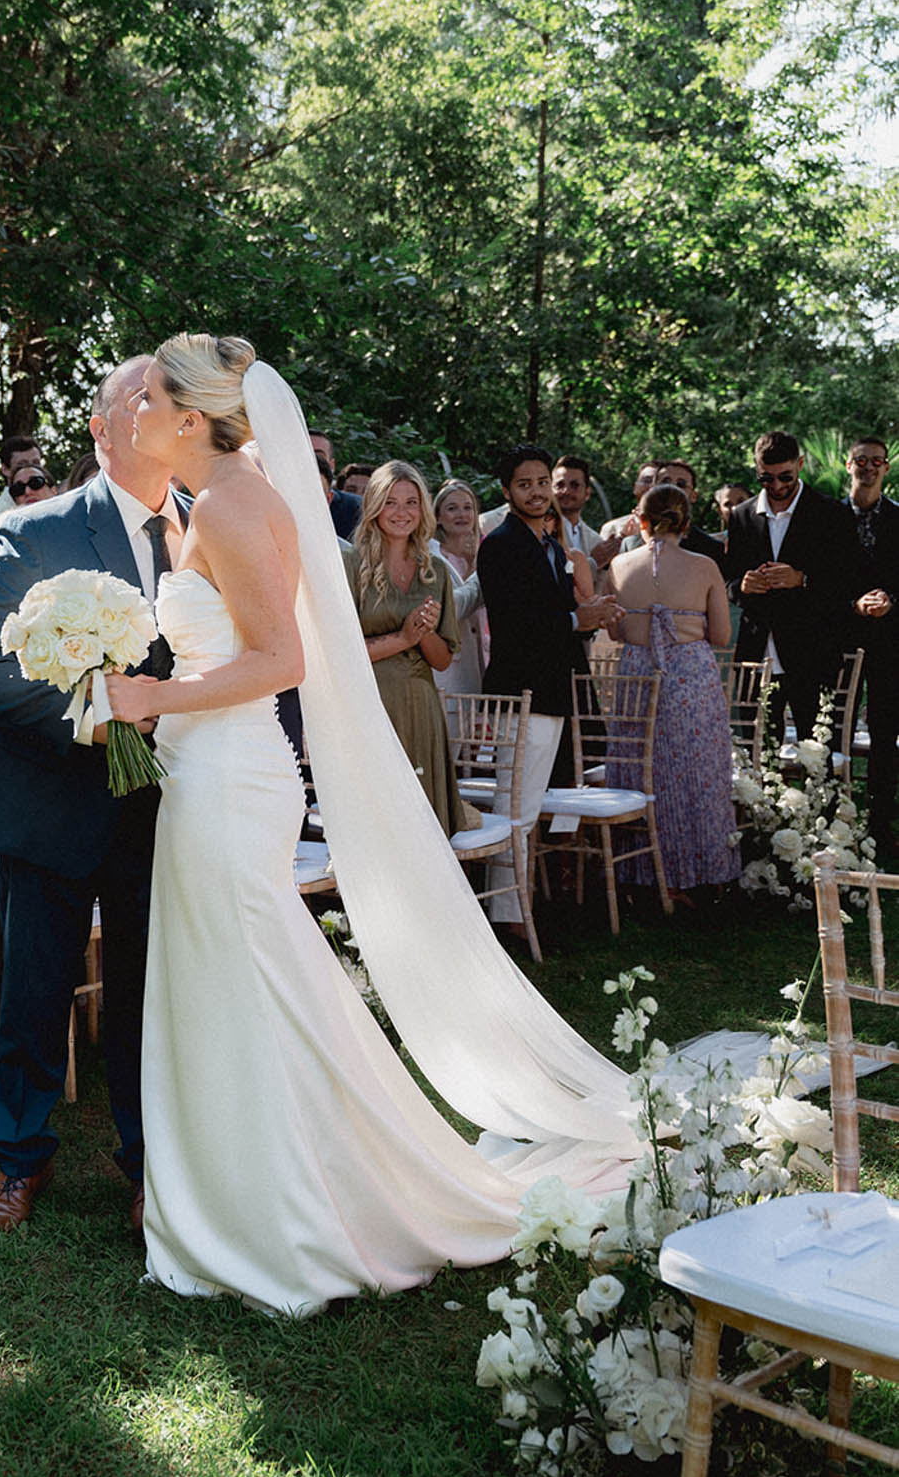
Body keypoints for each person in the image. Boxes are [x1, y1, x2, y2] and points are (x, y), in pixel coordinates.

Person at [106, 336, 635, 1317]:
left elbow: (276, 659)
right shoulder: (204, 502)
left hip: (231, 775)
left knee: (259, 979)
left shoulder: (232, 502)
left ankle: (290, 1210)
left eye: (144, 401)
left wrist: (149, 691)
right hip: (197, 770)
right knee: (231, 980)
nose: (130, 414)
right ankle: (232, 1193)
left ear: (188, 415)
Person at [0, 358, 183, 1240]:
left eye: (170, 399)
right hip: (47, 797)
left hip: (164, 807)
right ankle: (19, 1161)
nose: (160, 410)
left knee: (147, 993)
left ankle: (147, 1165)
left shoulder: (205, 526)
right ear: (99, 427)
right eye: (140, 398)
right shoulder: (39, 528)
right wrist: (87, 721)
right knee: (34, 991)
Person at [478, 445, 621, 931]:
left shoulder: (552, 545)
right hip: (521, 692)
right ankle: (507, 914)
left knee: (530, 804)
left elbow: (561, 620)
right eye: (525, 484)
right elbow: (516, 625)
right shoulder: (500, 545)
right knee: (513, 805)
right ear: (506, 492)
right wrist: (576, 618)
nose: (537, 492)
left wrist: (591, 617)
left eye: (543, 482)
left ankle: (521, 906)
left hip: (554, 689)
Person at [607, 483, 738, 895]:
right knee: (696, 770)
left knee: (639, 766)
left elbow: (616, 631)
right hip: (691, 676)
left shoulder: (619, 565)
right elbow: (720, 634)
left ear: (640, 521)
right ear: (686, 522)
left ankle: (641, 874)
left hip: (637, 673)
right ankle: (700, 872)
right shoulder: (705, 567)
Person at [346, 462, 470, 834]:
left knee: (423, 828)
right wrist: (401, 638)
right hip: (371, 706)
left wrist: (424, 632)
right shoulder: (350, 564)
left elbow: (443, 660)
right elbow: (340, 654)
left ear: (423, 509)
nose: (402, 513)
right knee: (380, 824)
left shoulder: (435, 570)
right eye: (391, 502)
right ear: (373, 506)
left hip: (421, 709)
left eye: (411, 502)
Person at [725, 430, 862, 743]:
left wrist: (802, 580)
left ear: (800, 464)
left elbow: (850, 583)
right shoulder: (742, 516)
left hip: (813, 653)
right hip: (756, 653)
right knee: (757, 753)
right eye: (766, 478)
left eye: (785, 477)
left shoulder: (832, 514)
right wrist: (742, 585)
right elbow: (728, 581)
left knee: (816, 754)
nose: (777, 486)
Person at [845, 435, 899, 857]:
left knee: (885, 734)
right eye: (860, 460)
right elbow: (820, 578)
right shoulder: (826, 517)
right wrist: (853, 604)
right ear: (848, 465)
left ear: (886, 468)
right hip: (839, 635)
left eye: (876, 461)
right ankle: (833, 824)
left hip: (888, 640)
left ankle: (881, 826)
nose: (868, 467)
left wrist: (890, 601)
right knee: (833, 731)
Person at [432, 480, 487, 697]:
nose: (461, 514)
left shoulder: (484, 554)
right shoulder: (431, 557)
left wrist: (474, 561)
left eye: (467, 507)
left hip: (478, 659)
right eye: (452, 508)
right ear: (437, 517)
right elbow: (455, 603)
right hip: (447, 666)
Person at [307, 428, 362, 539]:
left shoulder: (355, 508)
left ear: (332, 465)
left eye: (318, 456)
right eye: (303, 454)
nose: (309, 461)